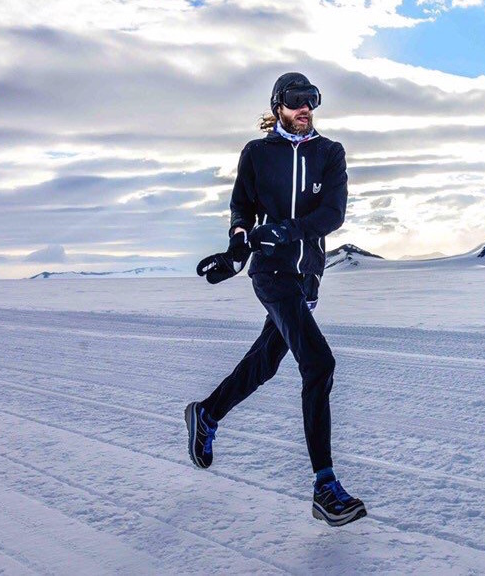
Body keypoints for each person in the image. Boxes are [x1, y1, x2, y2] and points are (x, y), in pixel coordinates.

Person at [185, 72, 366, 527]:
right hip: (271, 273)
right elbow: (242, 209)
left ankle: (206, 414)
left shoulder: (330, 153)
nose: (304, 107)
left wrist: (290, 229)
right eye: (294, 100)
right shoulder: (257, 154)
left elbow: (332, 213)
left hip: (306, 277)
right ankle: (325, 486)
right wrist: (235, 252)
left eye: (311, 100)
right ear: (278, 106)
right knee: (319, 363)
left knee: (265, 362)